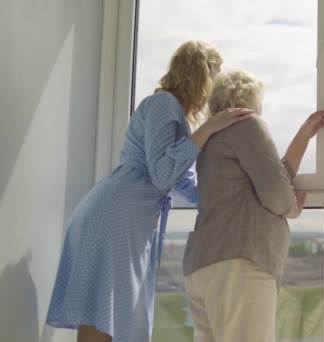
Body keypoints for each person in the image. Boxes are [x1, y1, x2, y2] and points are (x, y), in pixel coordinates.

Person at [46, 41, 253, 342]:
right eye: (214, 74)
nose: (216, 85)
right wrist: (208, 129)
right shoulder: (163, 104)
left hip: (123, 218)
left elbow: (181, 181)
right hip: (116, 216)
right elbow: (160, 175)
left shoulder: (175, 115)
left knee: (106, 314)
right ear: (200, 74)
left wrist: (229, 197)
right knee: (106, 314)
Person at [183, 69, 324, 342]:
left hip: (204, 266)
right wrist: (292, 209)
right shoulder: (247, 124)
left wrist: (303, 137)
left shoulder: (213, 137)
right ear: (250, 99)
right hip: (239, 265)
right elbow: (276, 192)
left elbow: (269, 177)